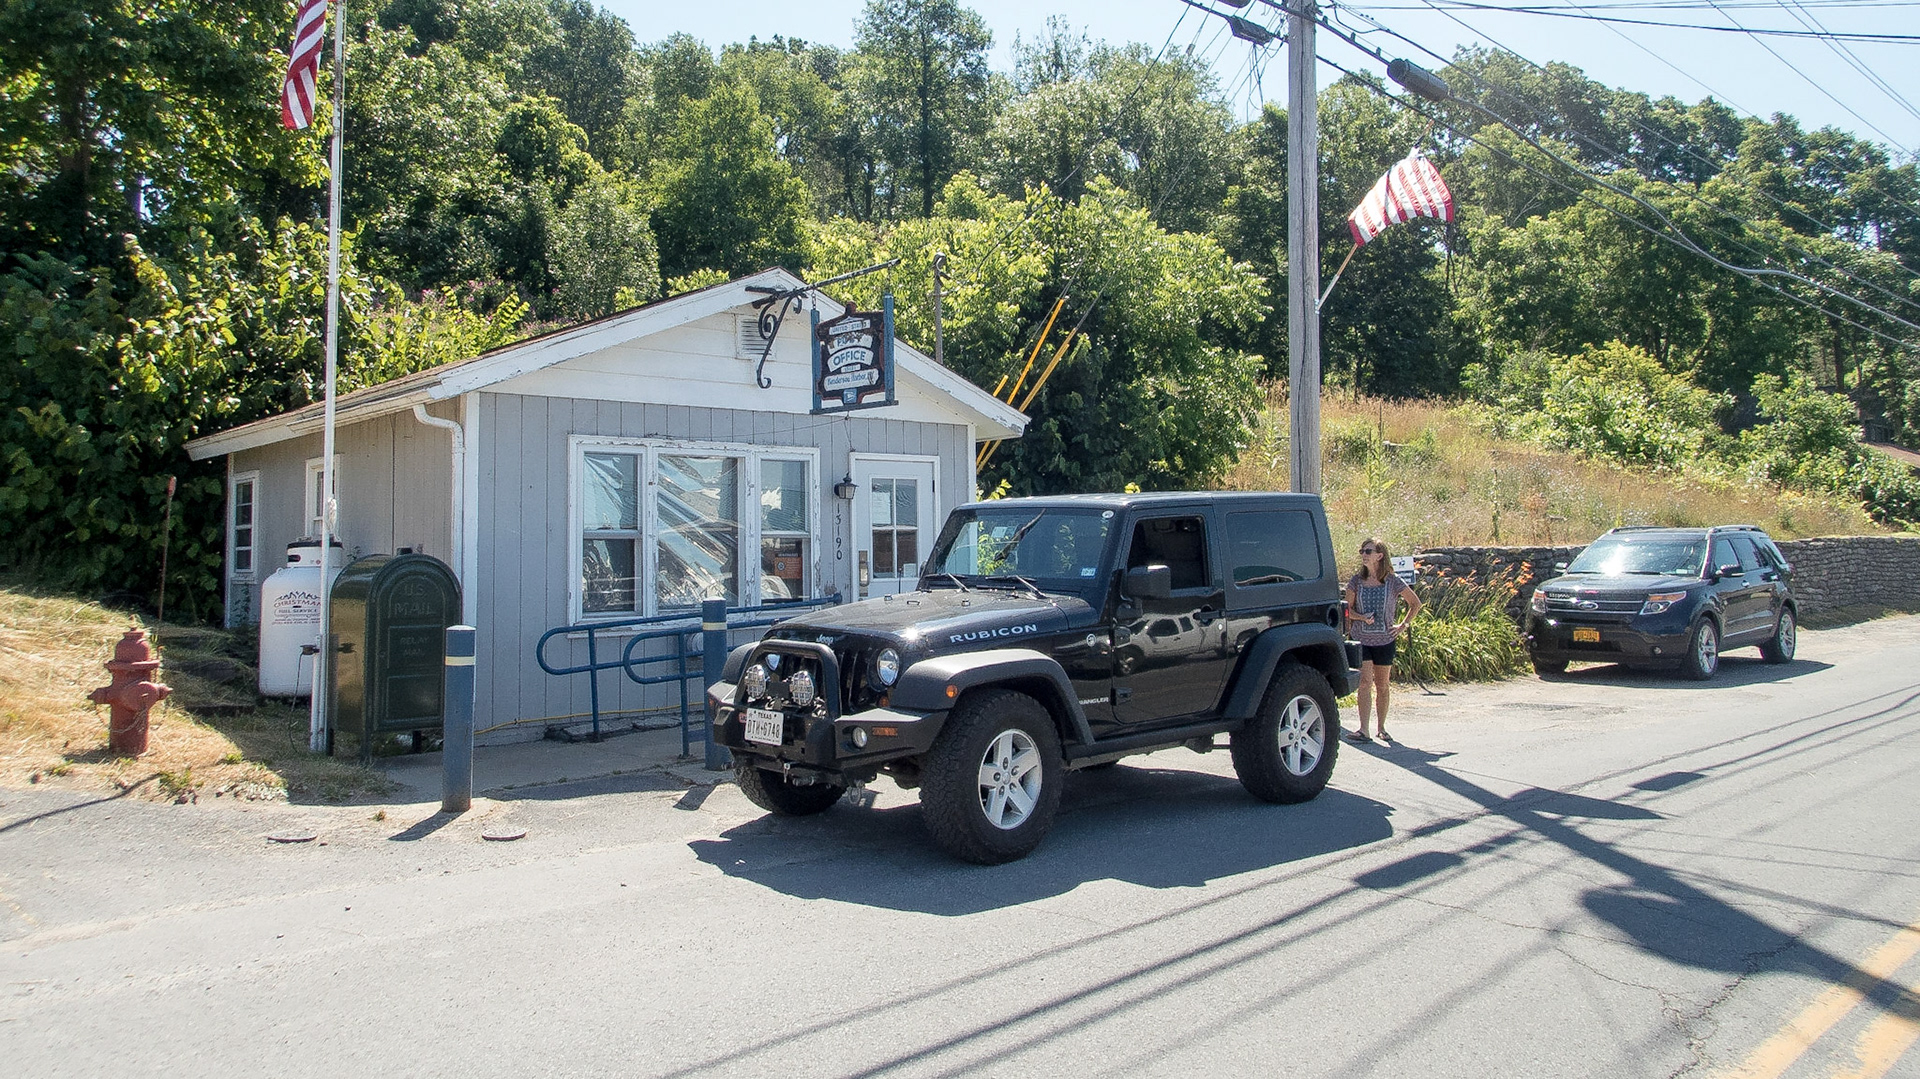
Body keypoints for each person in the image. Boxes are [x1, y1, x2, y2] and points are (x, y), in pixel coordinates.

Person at [1344, 537, 1423, 743]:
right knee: (1364, 682)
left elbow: (1415, 603)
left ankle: (1382, 728)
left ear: (1379, 555)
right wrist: (1361, 617)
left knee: (1383, 685)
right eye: (1362, 551)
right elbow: (1346, 610)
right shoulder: (1355, 581)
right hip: (1362, 639)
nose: (1363, 555)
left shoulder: (1393, 581)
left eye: (1368, 551)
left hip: (1385, 640)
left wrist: (1403, 625)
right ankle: (1363, 729)